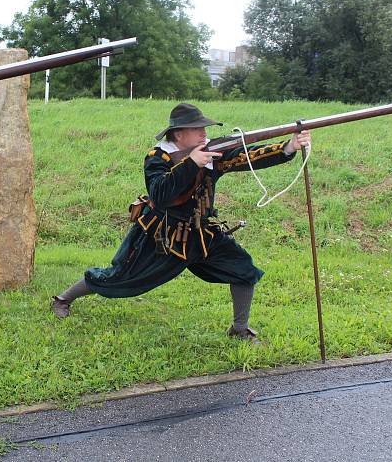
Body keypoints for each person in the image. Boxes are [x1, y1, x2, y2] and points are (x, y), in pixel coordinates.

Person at [51, 103, 311, 343]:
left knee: (243, 269)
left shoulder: (211, 153)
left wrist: (288, 147)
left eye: (204, 128)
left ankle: (240, 329)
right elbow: (160, 194)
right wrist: (191, 164)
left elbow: (246, 156)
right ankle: (63, 299)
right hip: (162, 237)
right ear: (177, 134)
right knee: (118, 278)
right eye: (196, 128)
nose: (203, 133)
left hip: (202, 234)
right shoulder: (159, 157)